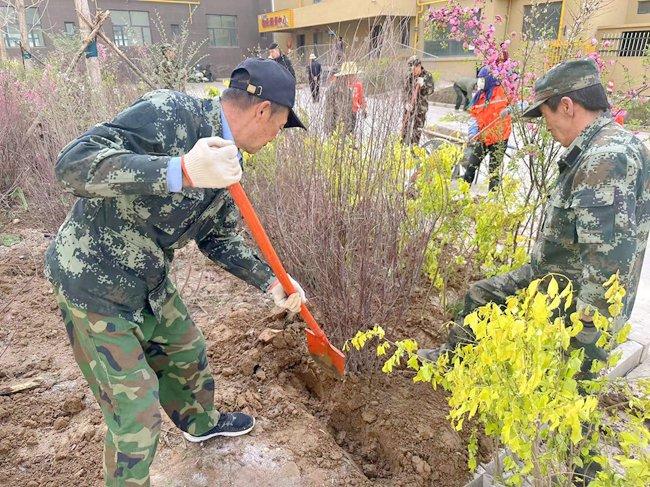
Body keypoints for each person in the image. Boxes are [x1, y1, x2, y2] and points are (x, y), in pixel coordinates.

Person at [45, 58, 308, 486]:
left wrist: (271, 279)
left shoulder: (227, 162)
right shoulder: (171, 114)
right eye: (281, 124)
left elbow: (218, 238)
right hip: (92, 280)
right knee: (136, 418)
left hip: (147, 276)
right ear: (263, 111)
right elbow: (72, 164)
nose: (278, 135)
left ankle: (198, 423)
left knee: (186, 351)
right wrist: (178, 170)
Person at [418, 58, 649, 400]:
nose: (545, 126)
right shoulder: (608, 144)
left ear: (568, 106)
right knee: (480, 296)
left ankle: (568, 446)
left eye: (546, 115)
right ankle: (456, 367)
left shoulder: (605, 158)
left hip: (571, 301)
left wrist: (581, 348)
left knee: (567, 405)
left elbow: (605, 271)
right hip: (551, 278)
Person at [462, 66, 512, 190]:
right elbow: (474, 117)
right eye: (479, 79)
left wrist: (509, 109)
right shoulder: (479, 96)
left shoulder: (503, 91)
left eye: (482, 79)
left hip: (500, 139)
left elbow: (522, 104)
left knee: (493, 172)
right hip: (483, 138)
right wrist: (472, 133)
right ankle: (463, 192)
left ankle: (492, 199)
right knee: (471, 165)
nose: (480, 82)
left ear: (489, 79)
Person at [324, 61, 365, 137]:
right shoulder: (333, 91)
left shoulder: (348, 91)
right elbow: (329, 114)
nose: (355, 77)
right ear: (346, 76)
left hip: (346, 129)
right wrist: (331, 133)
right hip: (336, 132)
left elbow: (348, 114)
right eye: (353, 75)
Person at [401, 56, 434, 146]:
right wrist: (406, 102)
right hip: (409, 107)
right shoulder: (409, 77)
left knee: (417, 130)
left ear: (419, 66)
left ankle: (413, 149)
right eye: (411, 69)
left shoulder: (427, 76)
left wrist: (423, 85)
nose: (413, 71)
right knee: (405, 128)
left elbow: (431, 91)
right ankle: (402, 147)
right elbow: (404, 91)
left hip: (421, 108)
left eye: (414, 69)